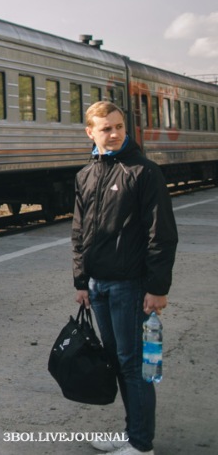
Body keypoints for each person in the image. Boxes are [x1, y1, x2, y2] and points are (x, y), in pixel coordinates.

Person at [72, 101, 178, 455]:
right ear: (90, 132)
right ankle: (131, 434)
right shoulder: (86, 175)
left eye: (118, 127)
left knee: (135, 366)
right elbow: (80, 232)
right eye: (106, 128)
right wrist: (81, 282)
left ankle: (141, 445)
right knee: (118, 362)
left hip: (130, 286)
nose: (114, 133)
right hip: (99, 286)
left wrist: (157, 289)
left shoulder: (144, 172)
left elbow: (160, 234)